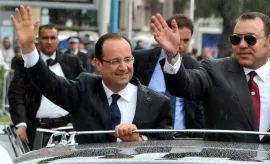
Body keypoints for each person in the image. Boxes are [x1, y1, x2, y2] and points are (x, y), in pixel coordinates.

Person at [150, 12, 270, 146]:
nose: (242, 45)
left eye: (250, 39)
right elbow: (183, 85)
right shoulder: (214, 70)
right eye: (236, 39)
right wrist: (173, 56)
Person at [10, 6, 173, 144]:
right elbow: (49, 83)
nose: (123, 67)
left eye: (128, 59)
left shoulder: (157, 102)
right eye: (115, 61)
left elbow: (166, 146)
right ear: (98, 63)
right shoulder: (83, 90)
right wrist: (29, 47)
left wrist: (140, 139)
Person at [8, 24, 85, 150]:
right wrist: (21, 123)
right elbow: (16, 94)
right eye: (45, 38)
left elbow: (83, 92)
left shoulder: (72, 62)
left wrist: (79, 121)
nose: (49, 41)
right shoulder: (23, 62)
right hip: (36, 129)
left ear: (58, 40)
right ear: (39, 40)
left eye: (52, 37)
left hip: (68, 128)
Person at [133, 14, 204, 138]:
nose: (181, 45)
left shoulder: (196, 67)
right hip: (145, 139)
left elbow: (198, 110)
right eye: (176, 38)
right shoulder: (140, 60)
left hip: (182, 140)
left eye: (186, 40)